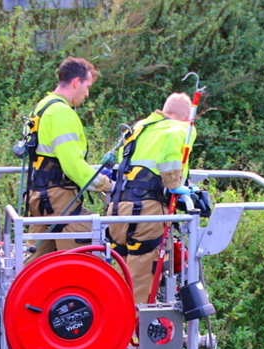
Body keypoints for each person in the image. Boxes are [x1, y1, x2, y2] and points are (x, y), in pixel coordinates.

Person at [106, 92, 195, 305]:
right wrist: (175, 185)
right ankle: (132, 334)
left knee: (119, 274)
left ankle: (110, 325)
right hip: (147, 212)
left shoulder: (139, 128)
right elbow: (171, 154)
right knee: (140, 279)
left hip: (118, 209)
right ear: (185, 117)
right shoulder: (181, 128)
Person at [25, 57, 112, 259]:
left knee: (35, 262)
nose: (87, 93)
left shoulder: (42, 107)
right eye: (87, 86)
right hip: (59, 198)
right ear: (76, 82)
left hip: (39, 196)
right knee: (82, 257)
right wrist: (107, 184)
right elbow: (72, 165)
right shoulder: (62, 113)